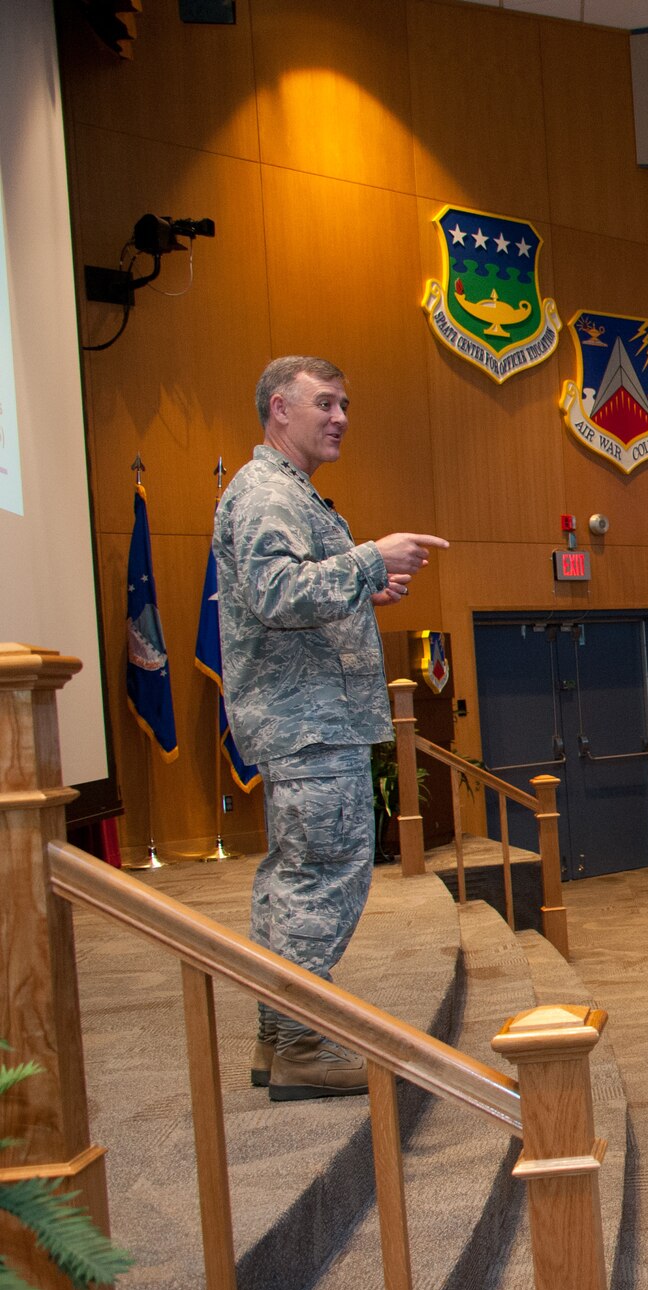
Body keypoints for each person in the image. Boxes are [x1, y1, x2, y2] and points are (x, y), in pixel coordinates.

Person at [214, 355, 448, 1100]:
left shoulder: (292, 494)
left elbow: (291, 594)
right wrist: (367, 559)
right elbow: (277, 592)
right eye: (326, 403)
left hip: (314, 721)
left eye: (346, 403)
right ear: (279, 409)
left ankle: (281, 1035)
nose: (341, 416)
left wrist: (361, 588)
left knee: (298, 879)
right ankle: (299, 1043)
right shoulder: (265, 493)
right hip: (307, 725)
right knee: (322, 878)